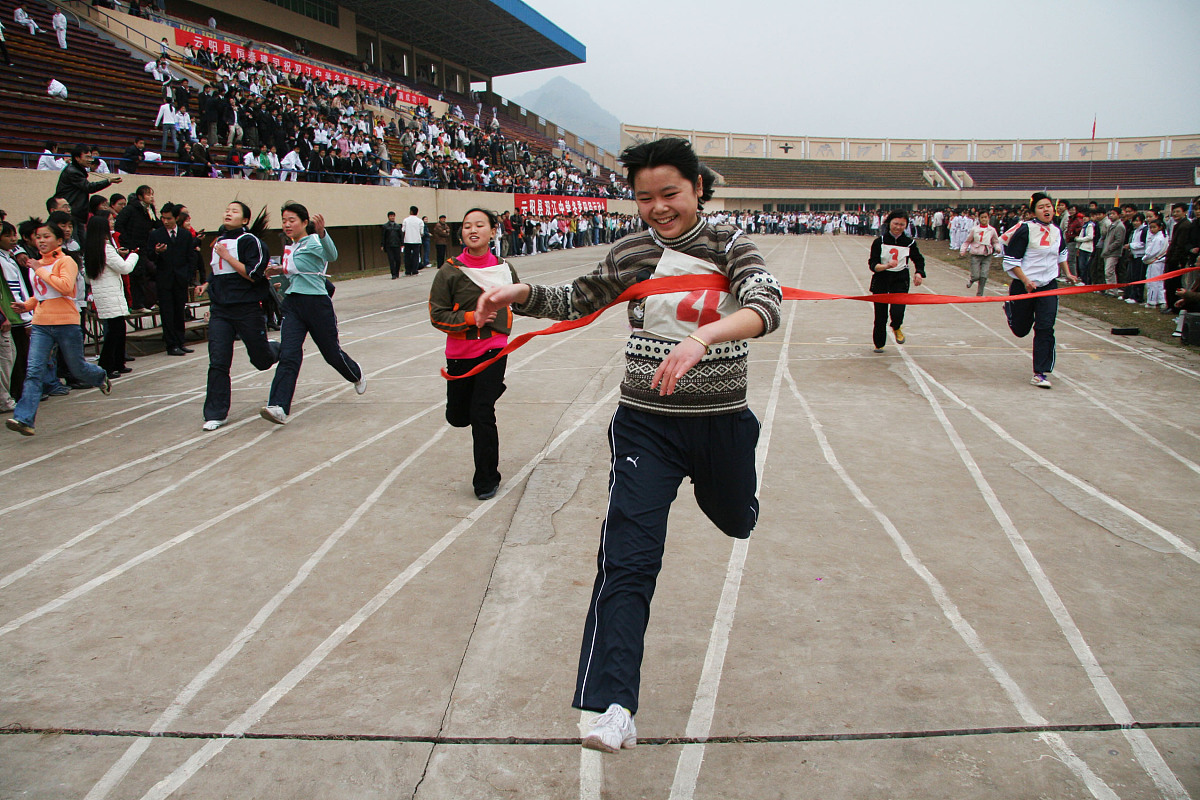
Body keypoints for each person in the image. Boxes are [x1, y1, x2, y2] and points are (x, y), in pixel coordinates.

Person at [475, 137, 782, 753]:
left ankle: (739, 502)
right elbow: (582, 297)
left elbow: (766, 306)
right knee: (627, 561)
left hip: (720, 422)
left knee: (735, 520)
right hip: (646, 425)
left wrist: (704, 338)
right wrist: (522, 294)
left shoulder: (731, 246)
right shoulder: (635, 249)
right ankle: (614, 706)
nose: (657, 208)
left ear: (697, 188)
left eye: (669, 194)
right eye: (644, 198)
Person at [429, 208, 518, 500]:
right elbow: (437, 315)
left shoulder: (504, 268)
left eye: (480, 225)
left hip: (493, 350)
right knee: (458, 417)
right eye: (467, 226)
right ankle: (489, 390)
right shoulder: (450, 271)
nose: (472, 229)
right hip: (459, 353)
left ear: (493, 231)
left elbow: (521, 300)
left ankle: (486, 479)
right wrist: (470, 318)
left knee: (482, 412)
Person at [260, 203, 364, 424]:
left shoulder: (315, 241)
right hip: (293, 304)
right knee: (289, 354)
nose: (287, 225)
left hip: (316, 304)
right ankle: (278, 406)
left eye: (292, 220)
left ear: (305, 223)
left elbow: (331, 255)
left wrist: (323, 233)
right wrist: (279, 271)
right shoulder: (292, 245)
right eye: (284, 220)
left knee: (331, 353)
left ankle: (355, 374)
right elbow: (297, 269)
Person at [6, 218, 110, 436]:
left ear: (59, 240)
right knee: (34, 371)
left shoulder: (66, 262)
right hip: (41, 324)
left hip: (66, 323)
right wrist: (26, 305)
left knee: (77, 368)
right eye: (38, 237)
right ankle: (24, 419)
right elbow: (41, 294)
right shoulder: (37, 263)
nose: (41, 241)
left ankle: (99, 376)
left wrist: (39, 269)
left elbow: (64, 288)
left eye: (46, 237)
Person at [198, 201, 278, 430]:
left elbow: (254, 274)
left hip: (246, 308)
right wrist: (207, 284)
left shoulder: (249, 241)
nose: (228, 213)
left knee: (262, 361)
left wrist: (228, 256)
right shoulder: (218, 242)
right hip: (221, 311)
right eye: (226, 210)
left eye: (234, 211)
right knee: (218, 361)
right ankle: (216, 413)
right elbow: (217, 271)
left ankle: (276, 348)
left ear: (244, 220)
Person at [1003, 193, 1076, 389]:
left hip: (1048, 286)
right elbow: (1010, 261)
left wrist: (1068, 273)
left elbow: (1061, 253)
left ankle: (1040, 372)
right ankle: (1010, 309)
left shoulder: (1056, 231)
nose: (1047, 210)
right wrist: (1026, 280)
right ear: (1034, 211)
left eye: (1049, 206)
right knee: (1020, 329)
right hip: (1023, 286)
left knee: (1045, 327)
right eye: (1042, 207)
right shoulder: (1025, 229)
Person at [83, 212, 136, 377]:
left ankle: (118, 362)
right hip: (111, 294)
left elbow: (87, 275)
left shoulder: (91, 249)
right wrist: (133, 255)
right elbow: (125, 268)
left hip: (103, 294)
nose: (112, 223)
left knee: (118, 330)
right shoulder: (105, 247)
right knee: (114, 332)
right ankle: (107, 365)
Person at [868, 209, 925, 352]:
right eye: (896, 223)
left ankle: (897, 326)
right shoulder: (879, 242)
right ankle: (879, 343)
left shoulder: (909, 243)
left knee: (898, 310)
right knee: (880, 315)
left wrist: (919, 273)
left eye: (902, 224)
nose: (898, 227)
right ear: (889, 223)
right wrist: (886, 266)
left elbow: (918, 259)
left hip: (900, 279)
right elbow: (873, 265)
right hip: (881, 279)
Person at [146, 202, 199, 355]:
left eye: (169, 218)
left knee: (179, 311)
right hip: (164, 279)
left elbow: (191, 256)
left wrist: (188, 275)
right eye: (163, 218)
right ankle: (171, 344)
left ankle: (181, 341)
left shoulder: (185, 235)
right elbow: (149, 255)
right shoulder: (156, 235)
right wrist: (156, 252)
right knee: (167, 312)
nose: (166, 221)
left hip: (180, 279)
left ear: (176, 218)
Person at [54, 144, 120, 230]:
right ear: (77, 158)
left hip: (78, 215)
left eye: (90, 157)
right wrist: (108, 181)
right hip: (72, 214)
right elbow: (89, 187)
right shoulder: (73, 171)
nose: (90, 160)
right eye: (87, 157)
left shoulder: (78, 170)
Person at [961, 209, 999, 296]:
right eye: (982, 217)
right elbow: (967, 241)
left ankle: (979, 293)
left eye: (985, 217)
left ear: (988, 218)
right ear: (979, 219)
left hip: (987, 254)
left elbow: (995, 241)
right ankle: (972, 280)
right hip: (976, 254)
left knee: (984, 275)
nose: (984, 219)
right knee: (976, 275)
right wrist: (963, 250)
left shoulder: (992, 230)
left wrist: (997, 247)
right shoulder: (975, 229)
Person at [1143, 218, 1168, 309]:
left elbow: (1151, 252)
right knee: (1159, 281)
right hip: (1159, 261)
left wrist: (1145, 258)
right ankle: (1161, 300)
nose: (1152, 229)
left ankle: (1152, 301)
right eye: (1151, 227)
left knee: (1152, 281)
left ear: (1160, 227)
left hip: (1155, 261)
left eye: (1154, 227)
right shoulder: (1163, 237)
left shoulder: (1159, 238)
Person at [401, 205, 422, 276]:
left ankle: (408, 271)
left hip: (407, 240)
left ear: (411, 211)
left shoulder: (406, 220)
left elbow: (403, 230)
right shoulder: (420, 221)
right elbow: (421, 232)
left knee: (407, 256)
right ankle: (415, 270)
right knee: (415, 256)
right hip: (416, 240)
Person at [381, 211, 402, 279]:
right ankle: (393, 274)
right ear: (388, 217)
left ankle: (397, 272)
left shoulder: (398, 226)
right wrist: (382, 245)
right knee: (391, 260)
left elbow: (401, 236)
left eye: (393, 216)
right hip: (389, 245)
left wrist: (402, 244)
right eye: (391, 216)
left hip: (397, 245)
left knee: (398, 260)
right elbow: (383, 236)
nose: (392, 217)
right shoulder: (385, 226)